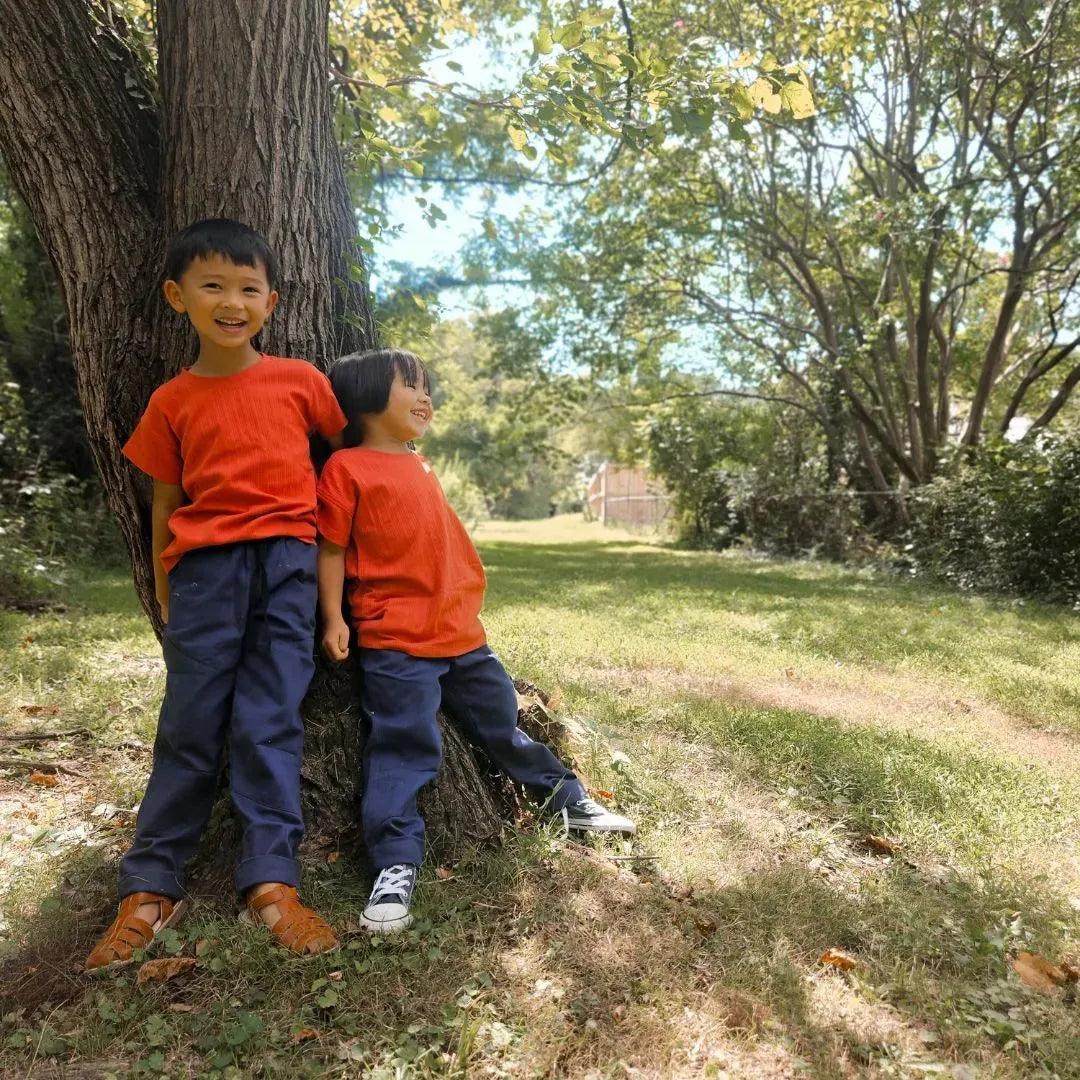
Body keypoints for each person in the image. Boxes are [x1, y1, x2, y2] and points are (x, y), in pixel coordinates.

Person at [85, 219, 345, 970]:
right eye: (213, 286)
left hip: (290, 568)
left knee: (269, 721)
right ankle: (149, 887)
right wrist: (169, 589)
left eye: (248, 288)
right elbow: (165, 503)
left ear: (272, 300)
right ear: (178, 297)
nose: (232, 302)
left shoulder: (301, 382)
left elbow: (341, 462)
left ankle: (270, 881)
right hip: (205, 574)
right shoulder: (172, 400)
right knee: (190, 726)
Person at [316, 347, 635, 934]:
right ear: (363, 399)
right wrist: (333, 616)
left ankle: (569, 801)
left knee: (503, 723)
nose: (424, 396)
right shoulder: (347, 469)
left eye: (426, 386)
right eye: (409, 386)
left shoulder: (420, 462)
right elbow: (331, 548)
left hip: (462, 634)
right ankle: (395, 862)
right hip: (396, 640)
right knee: (402, 748)